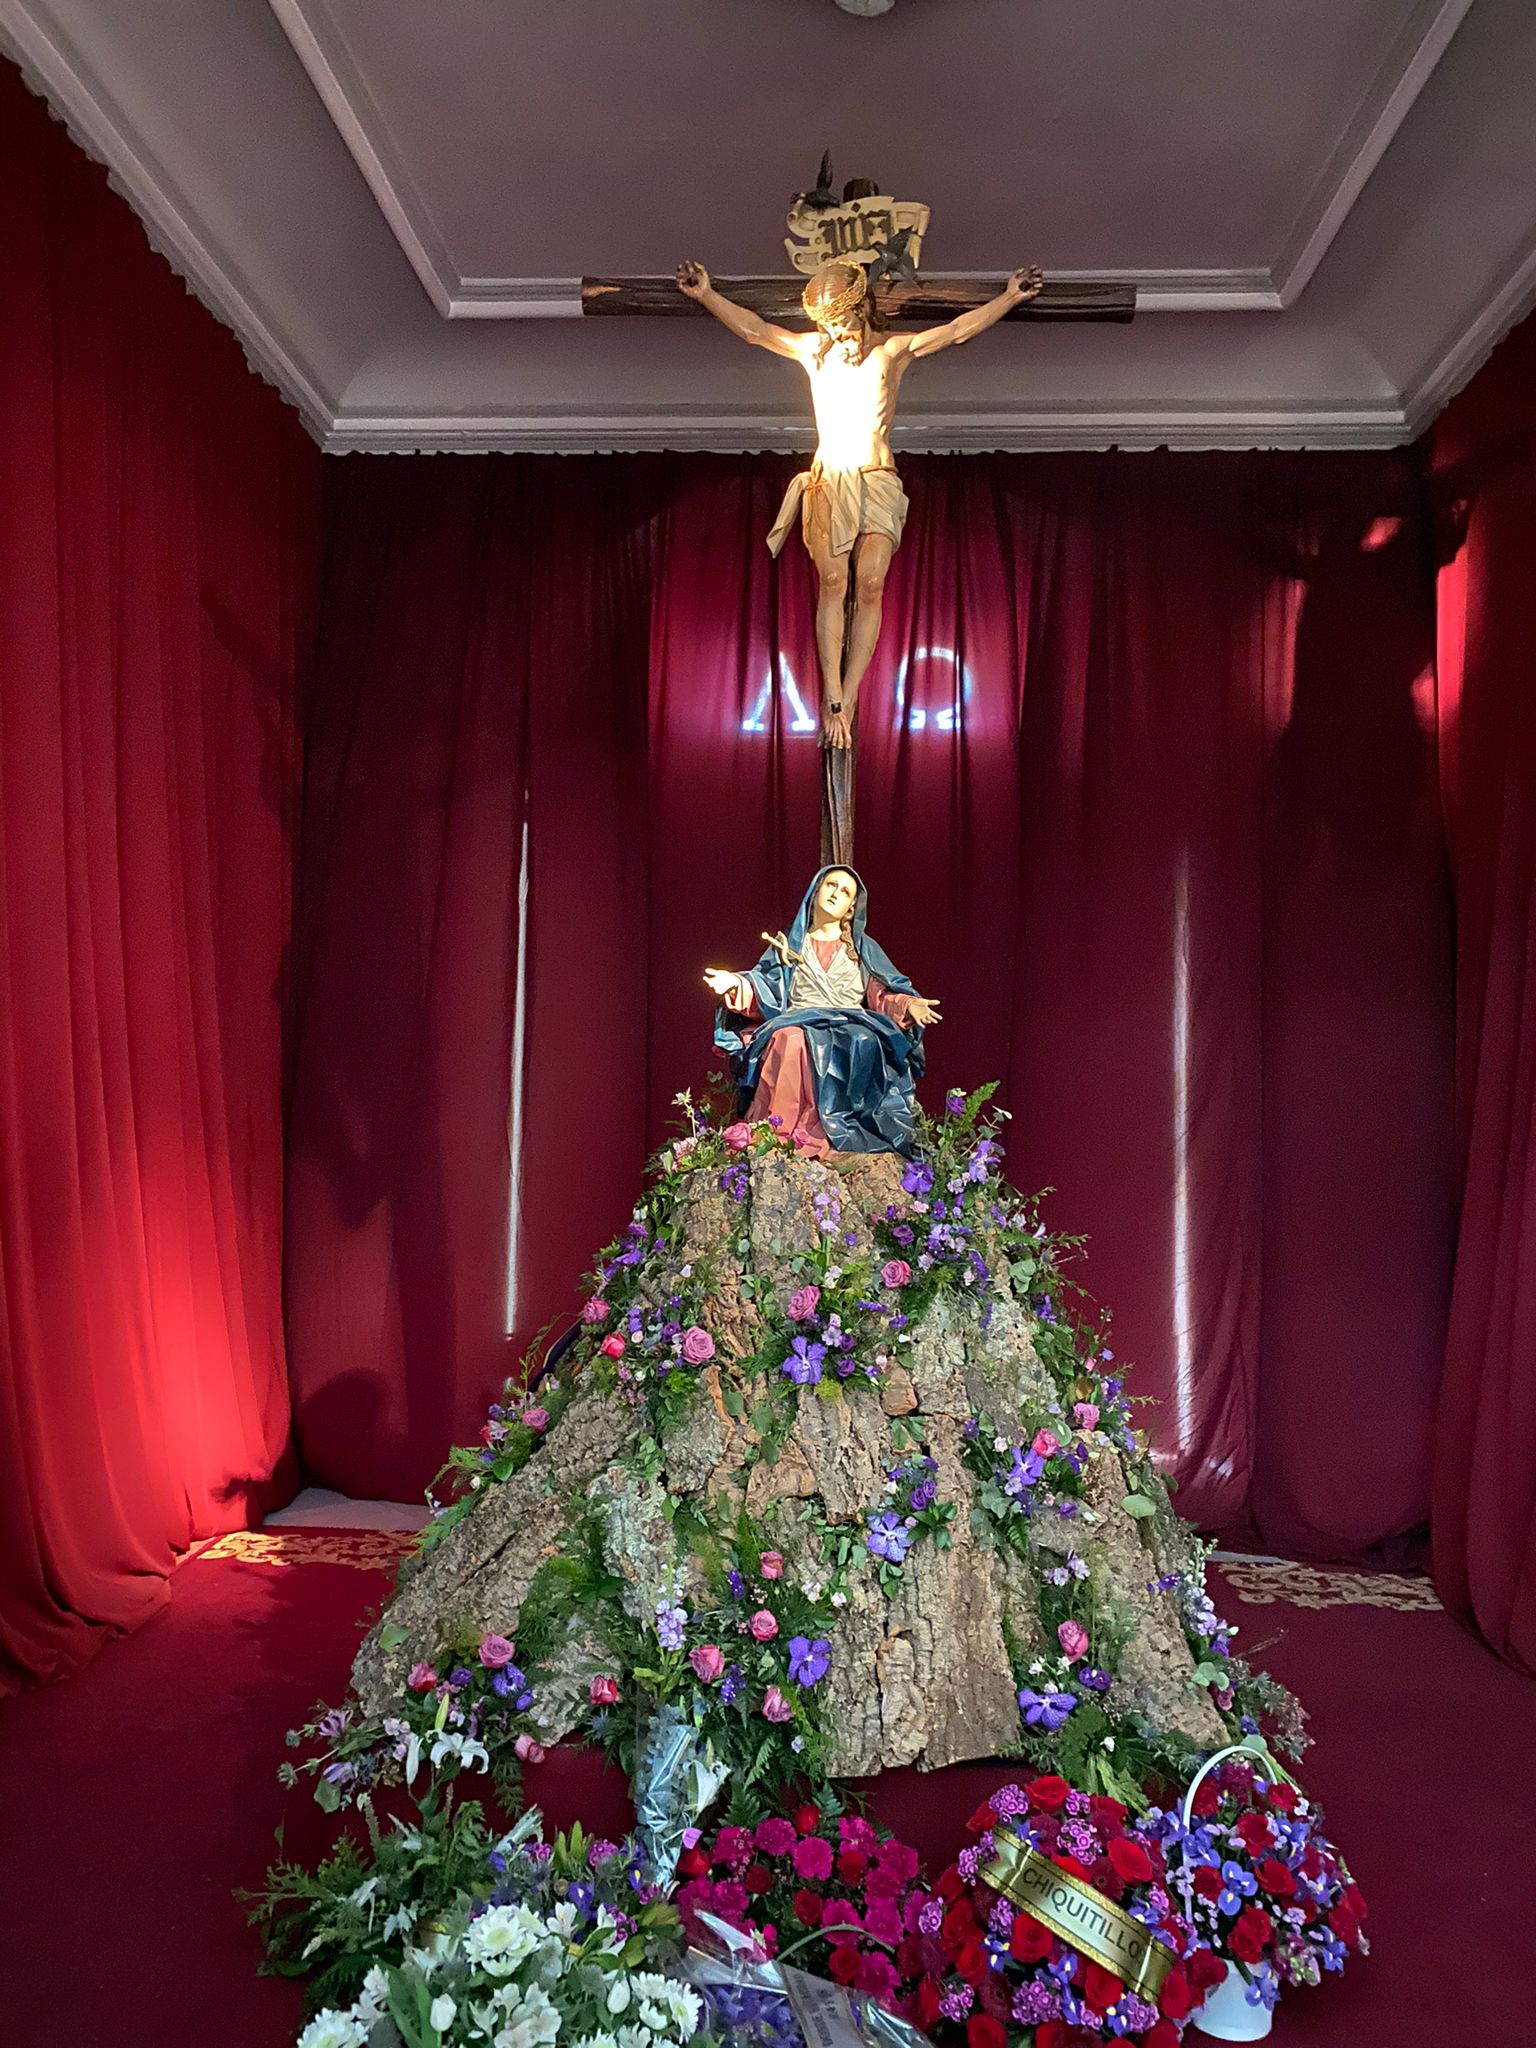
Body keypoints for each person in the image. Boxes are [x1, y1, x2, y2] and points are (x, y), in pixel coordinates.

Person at [676, 256, 1042, 748]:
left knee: (869, 584)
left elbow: (956, 331)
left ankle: (848, 698)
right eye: (827, 324)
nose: (836, 334)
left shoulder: (891, 352)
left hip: (878, 479)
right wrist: (706, 295)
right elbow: (756, 331)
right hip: (831, 480)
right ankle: (831, 697)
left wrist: (1009, 297)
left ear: (862, 310)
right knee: (832, 580)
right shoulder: (813, 353)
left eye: (843, 322)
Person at [704, 866, 941, 1157]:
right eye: (831, 885)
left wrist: (907, 1004)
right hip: (799, 1019)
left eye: (845, 892)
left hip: (850, 1021)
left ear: (850, 908)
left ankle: (842, 1127)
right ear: (816, 890)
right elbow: (765, 988)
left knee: (865, 1042)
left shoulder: (861, 948)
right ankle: (775, 1133)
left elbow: (882, 993)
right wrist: (736, 984)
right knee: (788, 1040)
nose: (835, 893)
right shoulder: (787, 945)